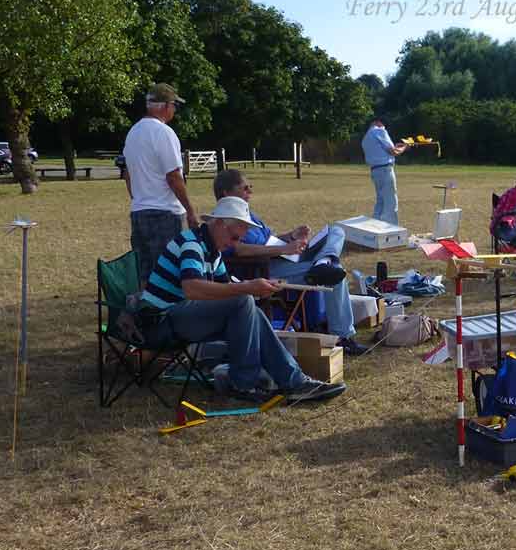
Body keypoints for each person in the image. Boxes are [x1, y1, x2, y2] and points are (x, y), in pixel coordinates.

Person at [139, 196, 346, 403]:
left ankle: (294, 382)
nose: (233, 243)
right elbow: (193, 288)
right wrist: (247, 288)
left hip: (178, 318)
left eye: (238, 239)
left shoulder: (212, 250)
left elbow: (226, 289)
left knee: (251, 310)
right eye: (234, 237)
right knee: (243, 301)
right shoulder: (191, 245)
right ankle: (244, 384)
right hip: (159, 323)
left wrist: (258, 289)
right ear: (219, 223)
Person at [211, 169, 370, 356]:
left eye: (250, 187)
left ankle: (323, 262)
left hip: (282, 259)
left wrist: (290, 236)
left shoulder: (248, 214)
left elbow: (268, 240)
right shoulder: (224, 221)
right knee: (335, 274)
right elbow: (239, 249)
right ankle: (343, 336)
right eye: (244, 188)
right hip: (261, 270)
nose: (250, 192)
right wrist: (284, 249)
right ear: (226, 193)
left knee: (336, 231)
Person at [124, 82, 198, 289]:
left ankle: (145, 309)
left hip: (139, 214)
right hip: (165, 215)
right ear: (166, 106)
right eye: (175, 105)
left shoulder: (133, 133)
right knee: (169, 275)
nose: (175, 110)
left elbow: (127, 174)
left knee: (145, 277)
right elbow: (173, 176)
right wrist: (190, 211)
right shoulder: (164, 133)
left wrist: (139, 198)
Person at [361, 118, 407, 225]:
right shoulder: (379, 130)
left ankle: (375, 227)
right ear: (378, 122)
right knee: (390, 202)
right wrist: (405, 147)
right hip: (385, 170)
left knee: (380, 202)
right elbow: (393, 151)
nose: (384, 127)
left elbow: (384, 150)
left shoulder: (366, 137)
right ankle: (391, 229)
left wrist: (396, 147)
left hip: (375, 171)